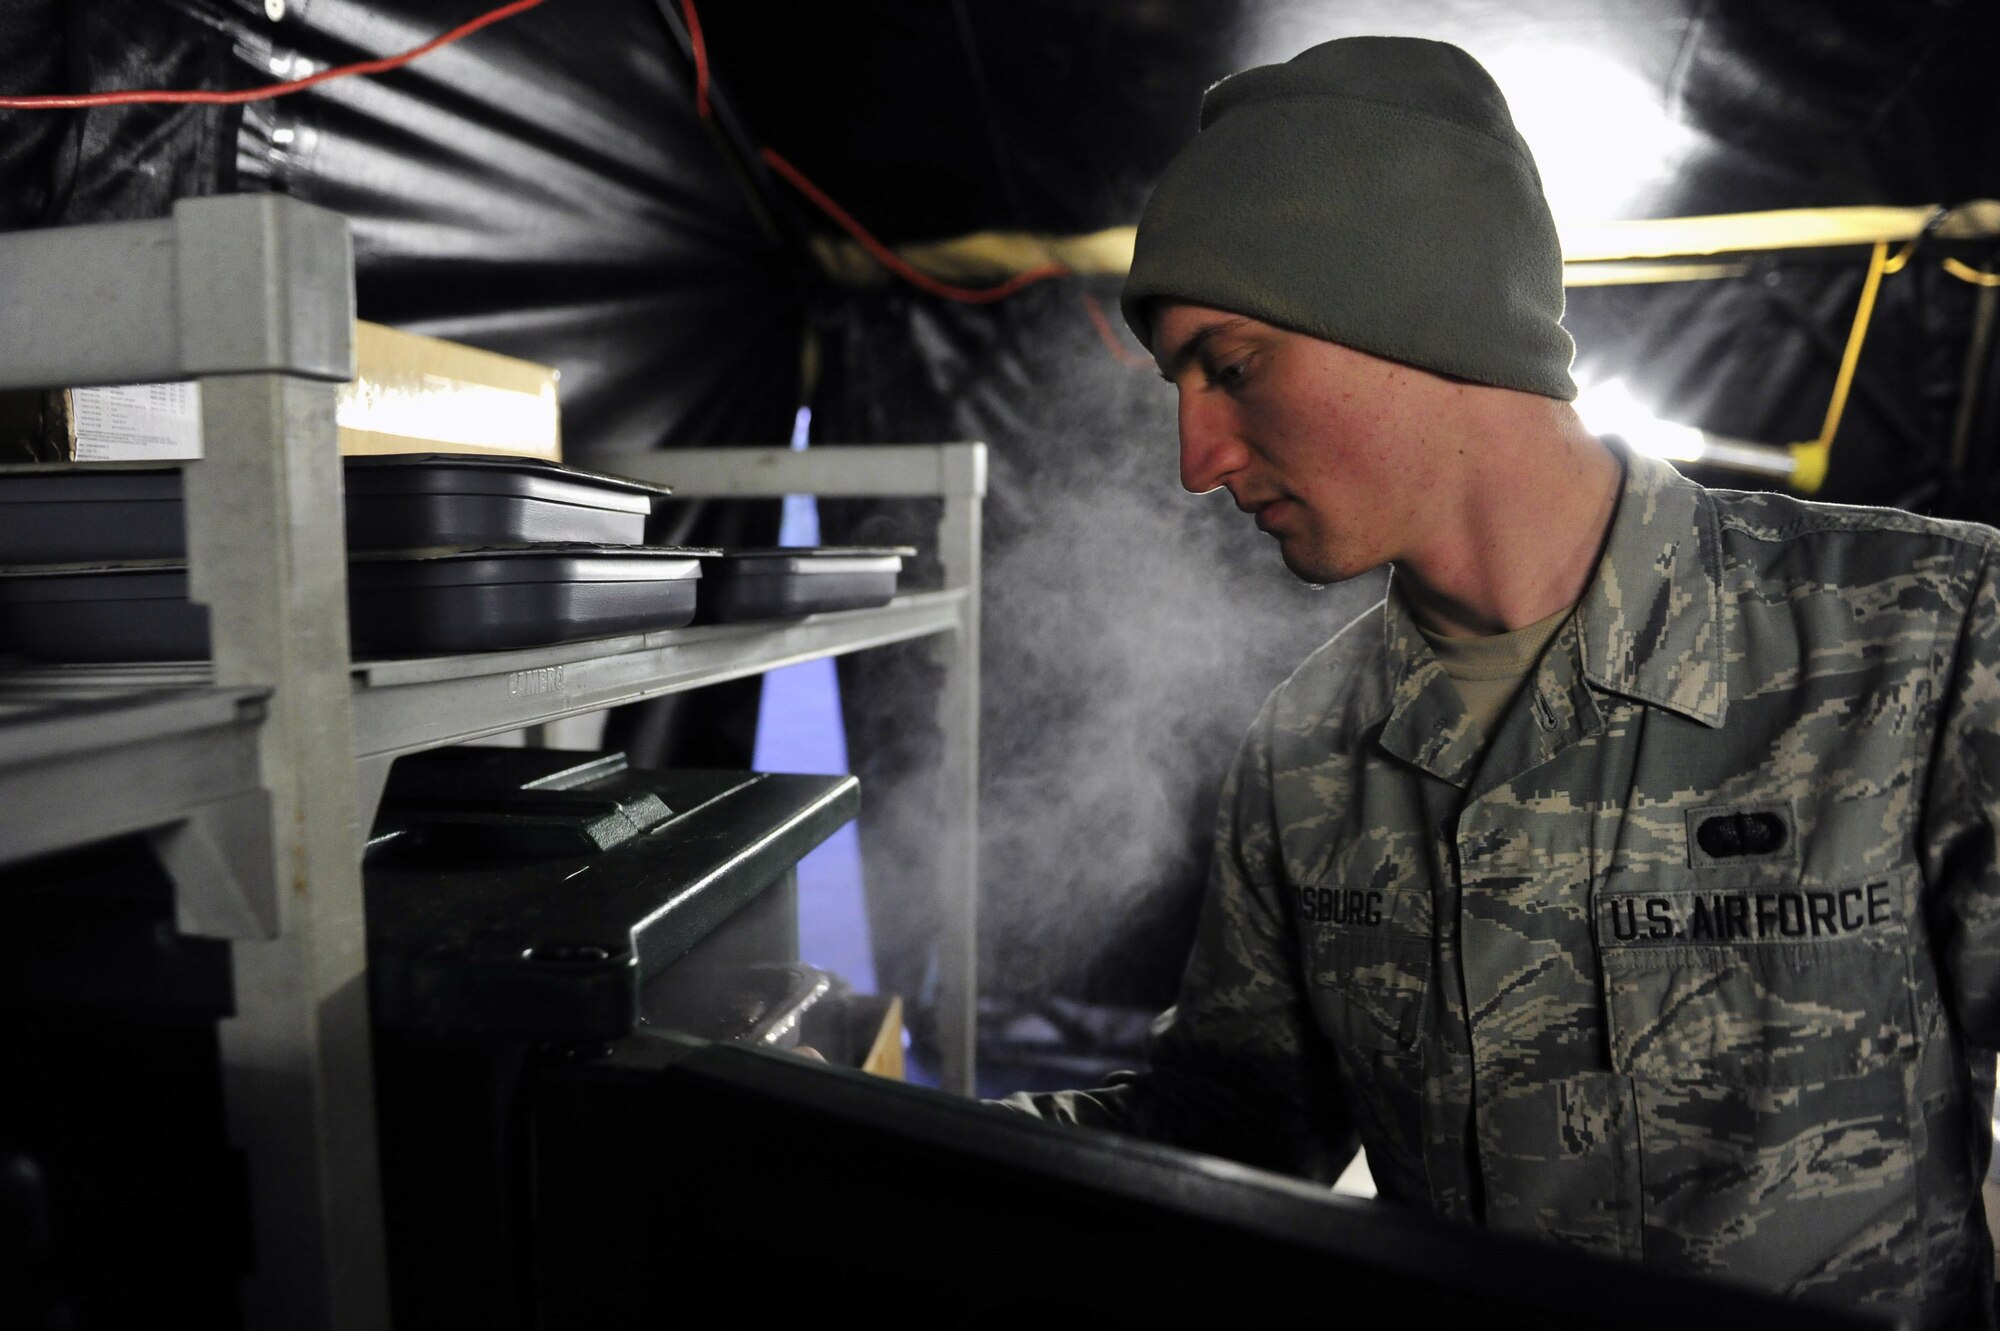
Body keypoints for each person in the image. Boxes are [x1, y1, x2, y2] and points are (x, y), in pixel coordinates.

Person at [1001, 34, 2000, 1330]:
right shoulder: (1312, 748)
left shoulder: (1921, 637)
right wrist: (858, 1136)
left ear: (1419, 314)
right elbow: (1228, 1127)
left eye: (1232, 367)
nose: (1196, 459)